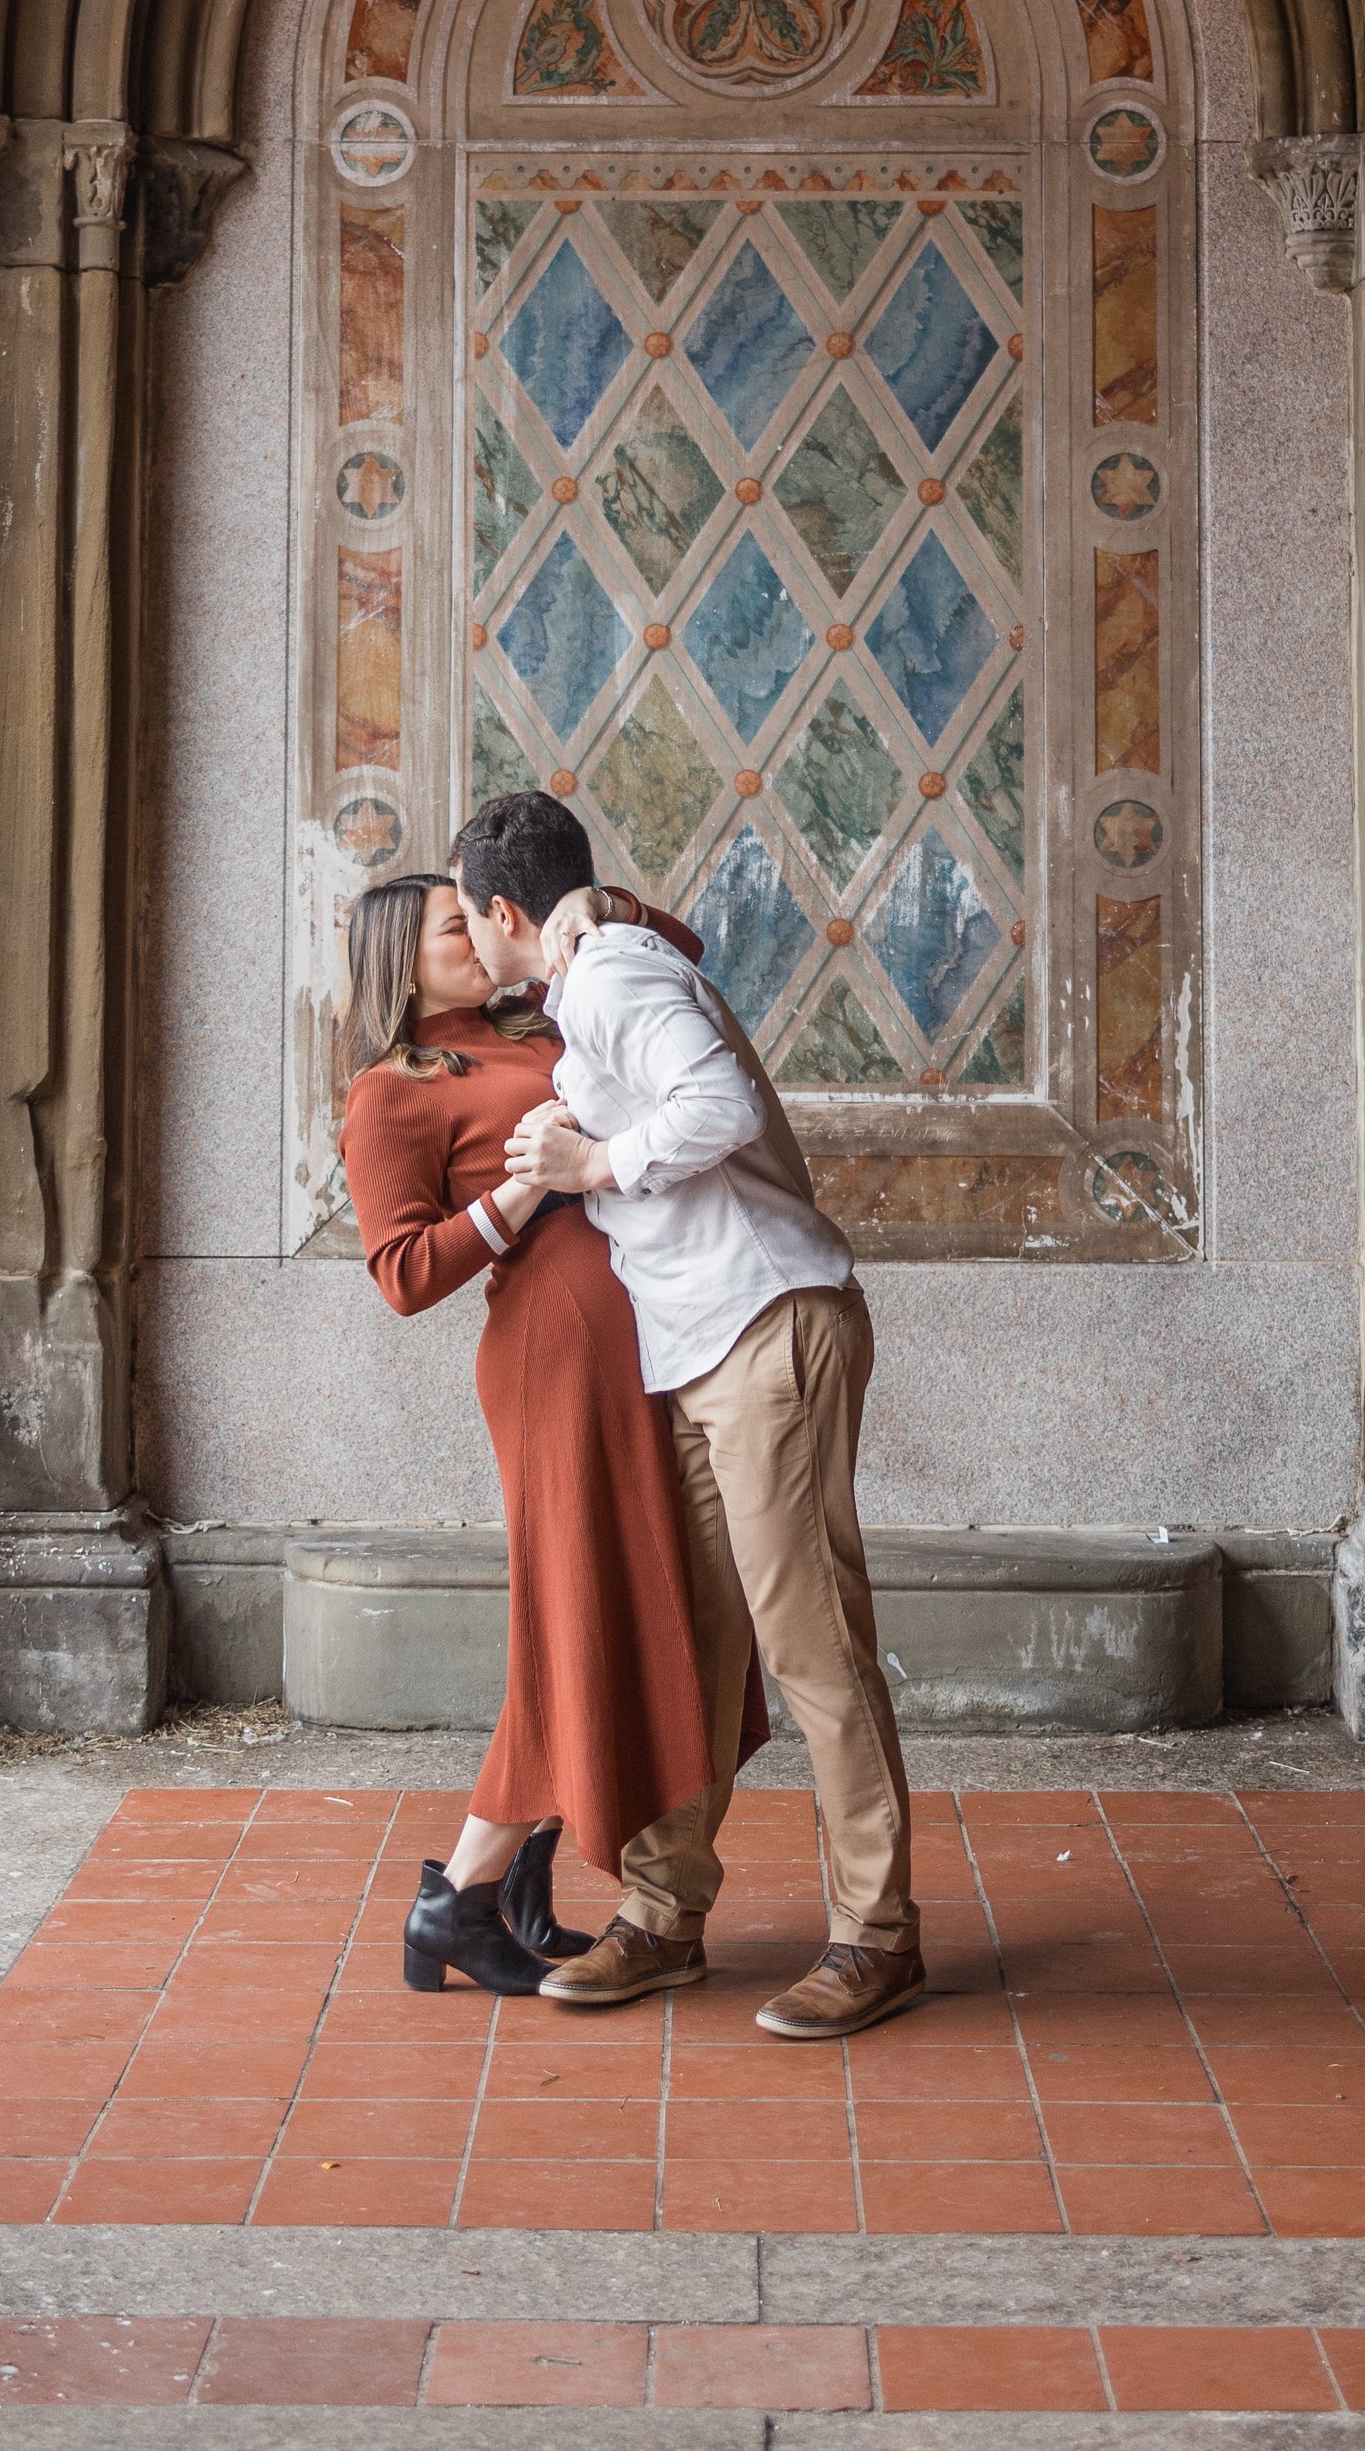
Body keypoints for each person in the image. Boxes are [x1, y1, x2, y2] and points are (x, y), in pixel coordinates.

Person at [455, 787, 924, 2043]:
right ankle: (663, 1916)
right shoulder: (599, 963)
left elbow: (715, 1107)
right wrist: (583, 1121)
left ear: (504, 911)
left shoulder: (604, 973)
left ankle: (878, 1936)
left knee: (812, 1642)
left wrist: (586, 1162)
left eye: (466, 918)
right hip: (709, 1345)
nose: (467, 944)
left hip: (768, 1325)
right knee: (694, 1636)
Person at [337, 871, 767, 2000]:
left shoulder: (545, 1009)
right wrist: (524, 1192)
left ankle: (506, 1882)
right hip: (554, 1355)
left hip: (656, 1325)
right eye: (450, 927)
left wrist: (590, 901)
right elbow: (400, 1273)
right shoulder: (390, 1091)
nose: (477, 936)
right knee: (578, 1610)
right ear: (401, 957)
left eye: (478, 915)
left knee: (653, 1596)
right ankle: (461, 1894)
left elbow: (680, 945)